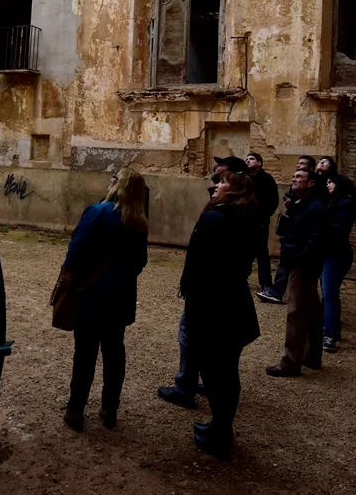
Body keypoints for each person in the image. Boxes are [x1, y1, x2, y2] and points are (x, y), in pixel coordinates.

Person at [175, 172, 261, 461]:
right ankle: (221, 426)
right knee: (226, 370)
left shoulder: (217, 218)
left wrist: (193, 299)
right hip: (233, 305)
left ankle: (220, 432)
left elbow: (202, 266)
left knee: (215, 371)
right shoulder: (245, 217)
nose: (215, 185)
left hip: (215, 309)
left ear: (234, 191)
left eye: (222, 182)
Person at [159, 155, 249, 409]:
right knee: (207, 342)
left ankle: (185, 387)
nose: (216, 176)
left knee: (190, 334)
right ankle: (203, 384)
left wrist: (190, 285)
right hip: (219, 290)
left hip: (206, 292)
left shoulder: (220, 214)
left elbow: (202, 256)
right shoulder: (237, 210)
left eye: (222, 176)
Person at [63, 168, 149, 431]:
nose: (110, 181)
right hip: (120, 297)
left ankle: (75, 410)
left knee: (85, 354)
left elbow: (74, 254)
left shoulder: (97, 212)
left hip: (92, 295)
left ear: (119, 186)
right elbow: (140, 262)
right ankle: (110, 409)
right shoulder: (139, 222)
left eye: (115, 179)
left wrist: (79, 277)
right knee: (114, 353)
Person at [266, 168, 327, 377]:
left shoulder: (316, 207)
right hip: (301, 260)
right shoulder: (303, 204)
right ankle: (312, 355)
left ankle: (291, 362)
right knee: (311, 310)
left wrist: (299, 258)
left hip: (304, 265)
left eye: (299, 177)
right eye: (293, 175)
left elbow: (315, 239)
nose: (294, 178)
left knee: (296, 312)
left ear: (311, 183)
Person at [320, 174, 356, 353]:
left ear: (340, 184)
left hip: (336, 254)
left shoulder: (345, 203)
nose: (327, 185)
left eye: (330, 181)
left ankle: (331, 335)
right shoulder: (334, 201)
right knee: (327, 294)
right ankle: (329, 328)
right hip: (328, 252)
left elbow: (337, 229)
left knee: (330, 294)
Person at [247, 153, 280, 296]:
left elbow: (273, 200)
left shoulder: (266, 179)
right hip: (244, 220)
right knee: (243, 250)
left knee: (261, 252)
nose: (248, 161)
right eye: (247, 159)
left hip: (260, 221)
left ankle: (266, 284)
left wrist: (264, 215)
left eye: (251, 159)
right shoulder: (244, 178)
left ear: (259, 163)